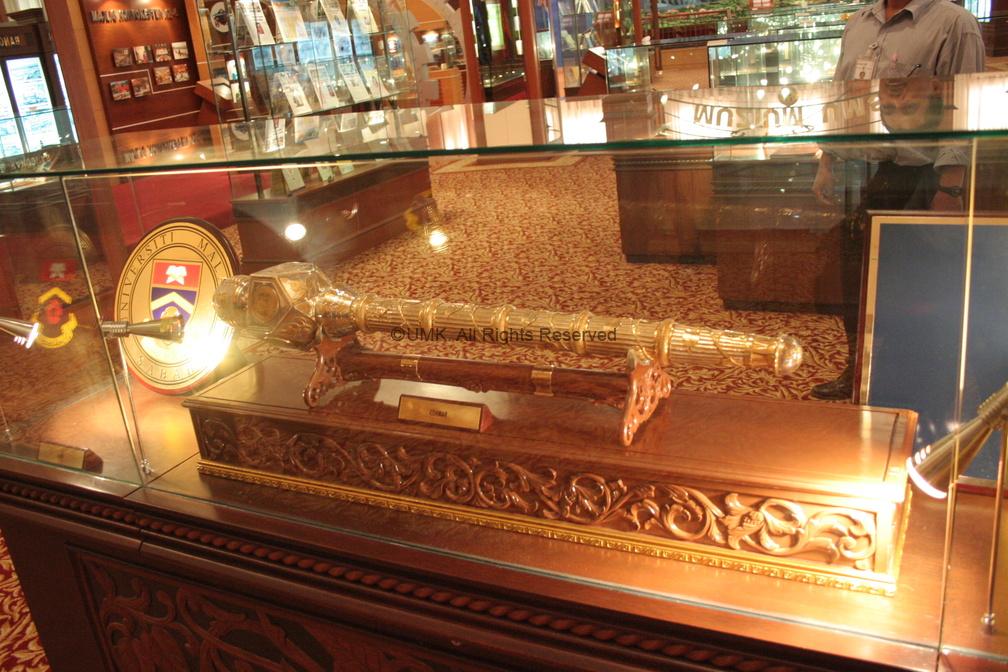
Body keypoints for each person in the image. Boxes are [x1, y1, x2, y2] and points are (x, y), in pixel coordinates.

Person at [809, 0, 986, 401]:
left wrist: (951, 186)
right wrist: (827, 161)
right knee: (856, 279)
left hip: (924, 174)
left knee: (917, 288)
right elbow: (841, 97)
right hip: (865, 172)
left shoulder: (954, 23)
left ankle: (920, 384)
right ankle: (860, 370)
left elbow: (967, 108)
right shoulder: (859, 22)